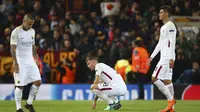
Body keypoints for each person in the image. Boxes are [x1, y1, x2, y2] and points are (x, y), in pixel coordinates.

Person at [147, 6, 176, 112]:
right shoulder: (164, 27)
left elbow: (172, 42)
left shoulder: (170, 25)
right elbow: (160, 44)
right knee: (168, 81)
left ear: (167, 14)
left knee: (154, 78)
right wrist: (151, 57)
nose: (159, 14)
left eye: (161, 12)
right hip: (166, 57)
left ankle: (171, 100)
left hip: (167, 57)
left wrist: (171, 58)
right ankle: (172, 108)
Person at [10, 14, 42, 112]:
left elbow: (33, 44)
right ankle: (18, 108)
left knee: (38, 82)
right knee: (20, 85)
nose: (30, 26)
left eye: (32, 24)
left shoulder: (32, 31)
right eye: (29, 24)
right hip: (20, 62)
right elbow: (12, 48)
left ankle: (29, 103)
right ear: (24, 21)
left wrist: (35, 54)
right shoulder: (16, 32)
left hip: (30, 61)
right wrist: (15, 62)